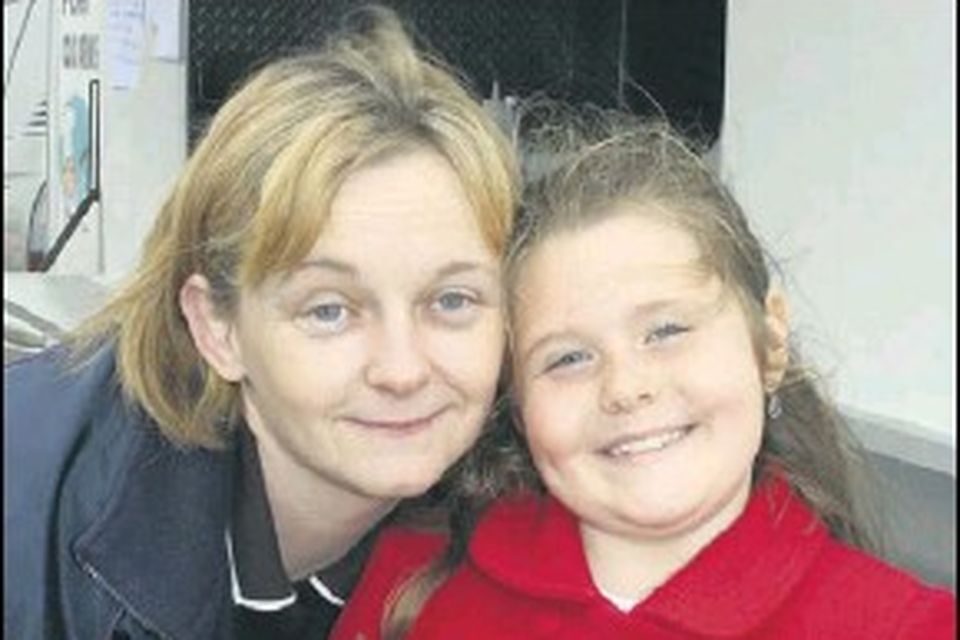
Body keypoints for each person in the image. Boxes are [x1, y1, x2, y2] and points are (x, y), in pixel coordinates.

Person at [330, 113, 956, 639]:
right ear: (516, 405)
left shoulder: (909, 626)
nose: (626, 388)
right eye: (568, 358)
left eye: (667, 330)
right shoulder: (408, 588)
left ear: (769, 343)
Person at [3, 8, 518, 639]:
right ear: (217, 328)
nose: (402, 370)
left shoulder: (540, 496)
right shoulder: (30, 526)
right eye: (328, 310)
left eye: (452, 300)